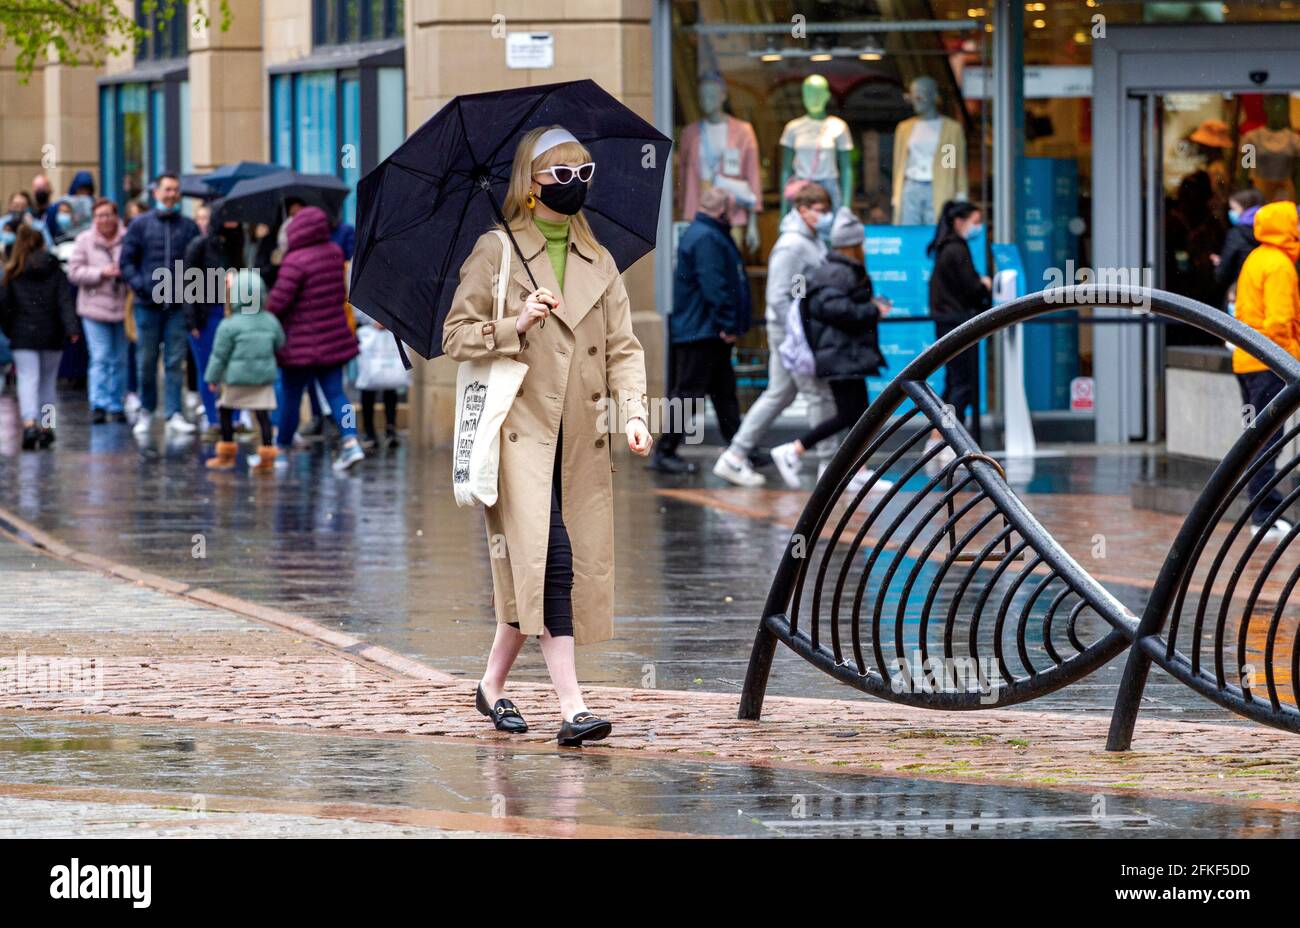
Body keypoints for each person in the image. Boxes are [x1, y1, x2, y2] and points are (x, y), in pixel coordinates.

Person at [442, 124, 652, 746]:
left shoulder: (601, 258)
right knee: (553, 563)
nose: (575, 186)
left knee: (533, 573)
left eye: (584, 175)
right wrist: (513, 322)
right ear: (530, 187)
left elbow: (623, 347)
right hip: (519, 436)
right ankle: (572, 708)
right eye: (562, 176)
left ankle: (490, 687)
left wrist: (634, 413)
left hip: (582, 440)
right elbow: (457, 335)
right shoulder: (495, 251)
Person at [713, 181, 836, 487]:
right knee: (817, 394)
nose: (824, 217)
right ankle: (830, 464)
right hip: (792, 333)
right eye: (819, 211)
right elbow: (779, 295)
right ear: (802, 210)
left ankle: (734, 456)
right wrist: (796, 336)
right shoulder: (793, 245)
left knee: (779, 394)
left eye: (826, 211)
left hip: (792, 332)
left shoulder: (809, 239)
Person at [769, 208, 891, 491]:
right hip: (841, 355)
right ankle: (795, 449)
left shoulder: (835, 268)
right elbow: (831, 307)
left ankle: (857, 469)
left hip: (843, 354)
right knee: (851, 414)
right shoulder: (839, 271)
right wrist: (870, 310)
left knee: (858, 414)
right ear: (854, 244)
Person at [651, 187, 749, 474]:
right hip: (702, 331)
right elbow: (714, 284)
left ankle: (740, 447)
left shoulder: (704, 232)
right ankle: (665, 450)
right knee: (690, 394)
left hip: (703, 329)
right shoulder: (708, 236)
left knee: (723, 393)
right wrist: (727, 323)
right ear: (724, 211)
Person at [264, 205, 365, 471]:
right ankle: (351, 442)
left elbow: (280, 302)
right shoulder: (334, 253)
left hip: (299, 345)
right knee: (336, 394)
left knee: (291, 397)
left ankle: (282, 449)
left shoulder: (295, 261)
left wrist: (266, 307)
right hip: (333, 339)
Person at [1230, 200, 1300, 541]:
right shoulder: (1280, 265)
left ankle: (1263, 511)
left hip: (1247, 360)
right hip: (1269, 364)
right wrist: (1292, 363)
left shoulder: (1256, 258)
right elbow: (1279, 322)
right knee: (1268, 440)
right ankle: (1265, 515)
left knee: (1258, 438)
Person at [119, 172, 201, 436]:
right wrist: (140, 284)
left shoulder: (188, 226)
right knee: (146, 360)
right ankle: (147, 409)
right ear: (156, 193)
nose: (172, 194)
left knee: (175, 361)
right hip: (148, 304)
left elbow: (197, 264)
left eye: (176, 190)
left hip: (177, 306)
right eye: (167, 189)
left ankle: (173, 413)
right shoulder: (140, 225)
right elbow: (126, 261)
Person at [0, 225, 80, 449]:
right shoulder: (54, 269)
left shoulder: (13, 271)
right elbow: (64, 301)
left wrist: (10, 329)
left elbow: (4, 306)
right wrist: (71, 329)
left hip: (22, 334)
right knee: (48, 382)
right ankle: (47, 427)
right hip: (51, 334)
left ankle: (29, 423)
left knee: (27, 379)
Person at [204, 269, 284, 472]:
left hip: (236, 380)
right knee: (263, 416)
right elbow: (280, 342)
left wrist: (212, 378)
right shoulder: (270, 320)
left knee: (225, 411)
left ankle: (227, 454)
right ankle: (267, 455)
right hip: (262, 379)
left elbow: (219, 355)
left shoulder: (229, 324)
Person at [926, 199, 991, 447]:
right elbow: (971, 287)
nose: (979, 227)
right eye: (975, 222)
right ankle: (950, 439)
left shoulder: (946, 248)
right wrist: (983, 284)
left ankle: (938, 437)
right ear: (959, 221)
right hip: (958, 322)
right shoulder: (956, 249)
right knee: (961, 384)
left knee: (954, 382)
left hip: (949, 322)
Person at [67, 198, 129, 423]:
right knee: (101, 356)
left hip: (122, 306)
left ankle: (117, 402)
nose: (104, 220)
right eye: (100, 216)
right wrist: (100, 273)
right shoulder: (84, 240)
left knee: (120, 358)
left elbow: (135, 263)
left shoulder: (128, 237)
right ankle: (99, 403)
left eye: (108, 215)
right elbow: (74, 272)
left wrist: (125, 273)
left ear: (116, 216)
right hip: (94, 308)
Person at [184, 210, 245, 436]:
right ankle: (212, 419)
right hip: (205, 314)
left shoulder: (236, 244)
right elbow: (187, 284)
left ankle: (235, 417)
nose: (233, 222)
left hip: (232, 312)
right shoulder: (199, 246)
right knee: (207, 368)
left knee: (234, 366)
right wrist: (192, 322)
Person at [1213, 187, 1265, 309]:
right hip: (1262, 295)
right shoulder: (1269, 232)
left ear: (1245, 209)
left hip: (1238, 294)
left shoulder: (1236, 234)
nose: (1231, 212)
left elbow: (1222, 274)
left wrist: (1219, 264)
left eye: (1233, 209)